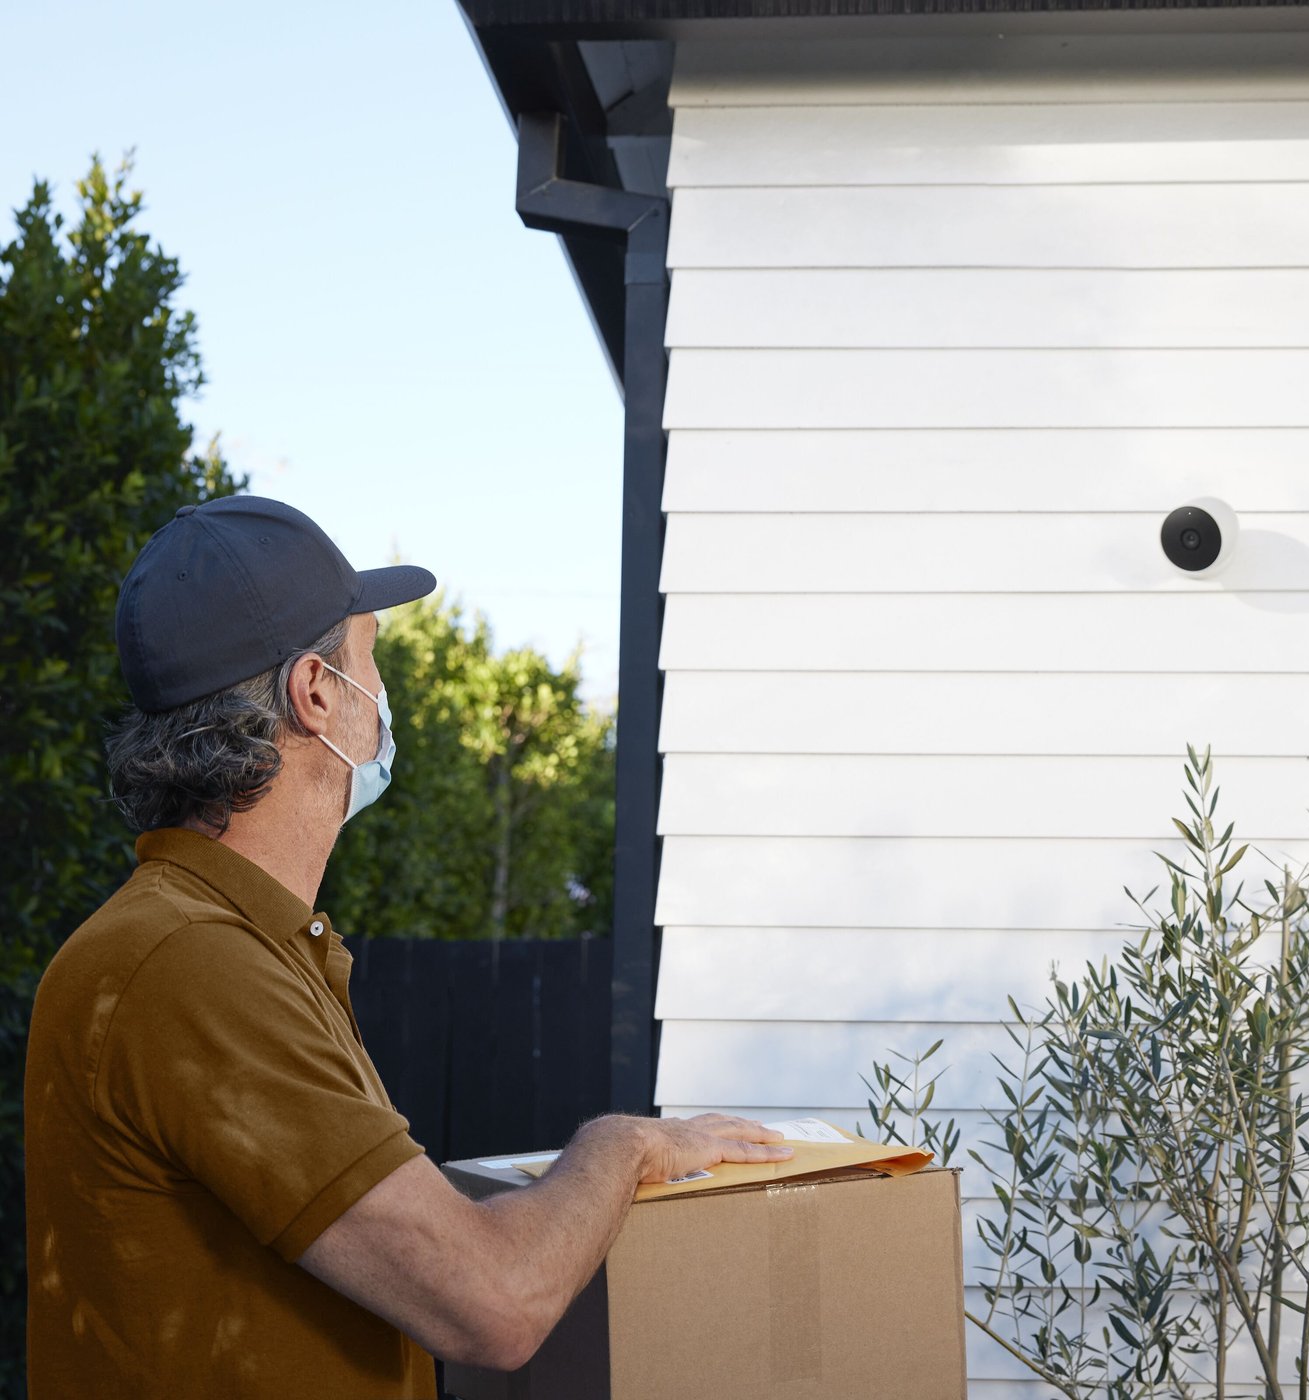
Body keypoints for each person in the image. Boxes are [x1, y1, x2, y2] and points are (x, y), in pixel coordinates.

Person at [24, 496, 791, 1399]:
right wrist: (623, 1146)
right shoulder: (190, 965)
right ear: (316, 693)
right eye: (373, 657)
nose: (383, 694)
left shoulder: (225, 943)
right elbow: (494, 1302)